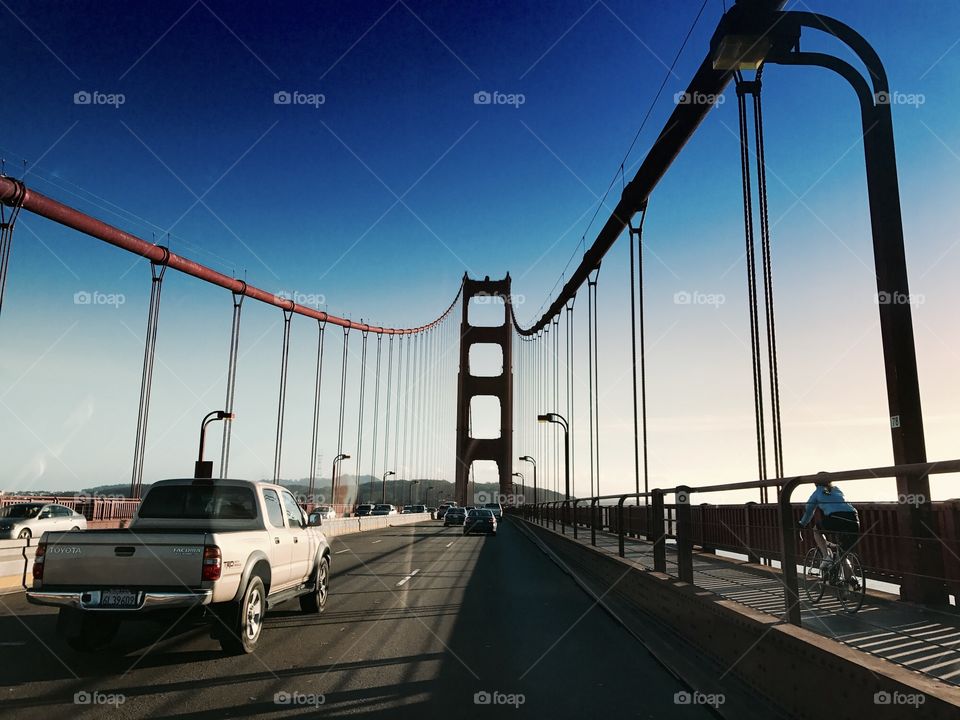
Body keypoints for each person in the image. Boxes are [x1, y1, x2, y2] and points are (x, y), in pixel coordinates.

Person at [798, 475, 861, 585]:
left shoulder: (817, 492)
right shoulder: (837, 490)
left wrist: (802, 524)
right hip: (853, 520)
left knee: (816, 530)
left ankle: (827, 557)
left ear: (816, 483)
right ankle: (850, 580)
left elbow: (809, 511)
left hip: (835, 519)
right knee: (843, 553)